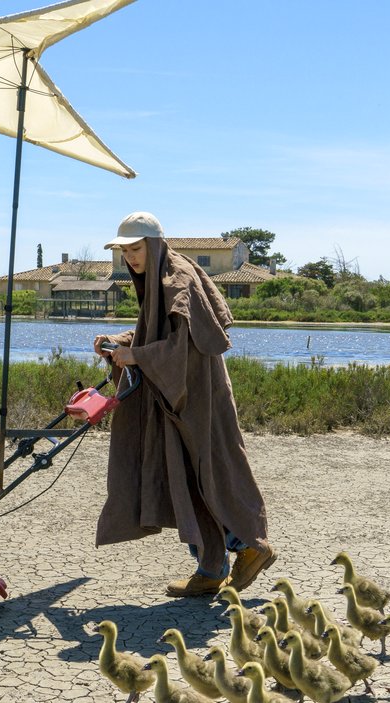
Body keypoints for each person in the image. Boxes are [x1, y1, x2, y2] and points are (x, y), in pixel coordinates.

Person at [93, 211, 276, 597]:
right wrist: (121, 341)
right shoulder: (158, 278)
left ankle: (249, 547)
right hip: (179, 398)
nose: (130, 257)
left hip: (199, 398)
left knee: (209, 474)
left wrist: (138, 357)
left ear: (155, 244)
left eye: (136, 248)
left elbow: (183, 345)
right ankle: (210, 568)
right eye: (124, 251)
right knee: (183, 477)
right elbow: (154, 329)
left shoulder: (177, 278)